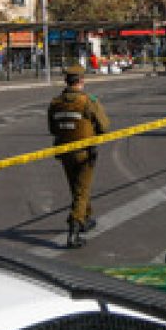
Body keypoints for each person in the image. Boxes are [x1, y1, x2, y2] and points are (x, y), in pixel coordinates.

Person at [48, 64, 111, 247]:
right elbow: (104, 126)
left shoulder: (55, 102)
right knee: (81, 190)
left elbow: (52, 128)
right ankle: (74, 230)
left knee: (77, 188)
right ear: (81, 81)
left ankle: (85, 217)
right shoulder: (88, 101)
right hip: (85, 153)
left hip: (64, 151)